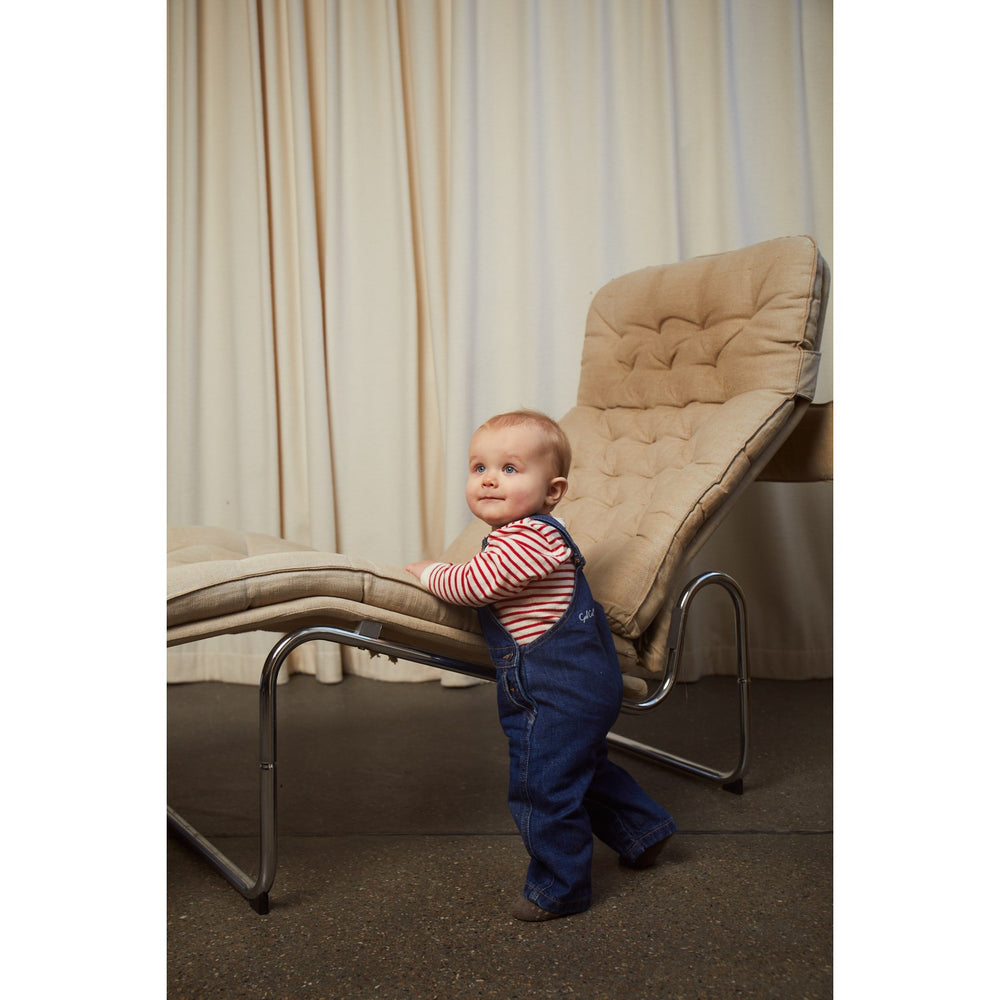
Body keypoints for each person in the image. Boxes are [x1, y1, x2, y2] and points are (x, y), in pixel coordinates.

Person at [406, 409, 677, 921]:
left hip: (558, 691)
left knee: (543, 786)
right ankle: (644, 830)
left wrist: (429, 572)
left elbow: (475, 586)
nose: (489, 479)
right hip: (570, 686)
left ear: (553, 492)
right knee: (581, 769)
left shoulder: (534, 538)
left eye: (509, 469)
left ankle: (559, 888)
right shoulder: (516, 538)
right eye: (479, 467)